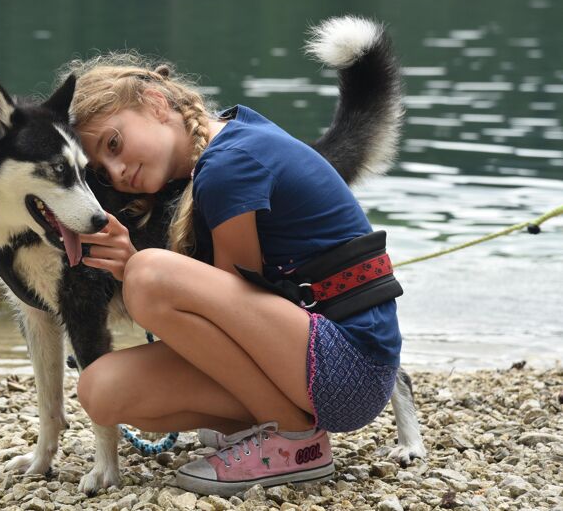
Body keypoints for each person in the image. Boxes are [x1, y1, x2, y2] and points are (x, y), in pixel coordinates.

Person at [64, 53, 402, 496]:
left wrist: (134, 269)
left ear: (155, 102)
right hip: (310, 357)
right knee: (101, 391)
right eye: (103, 170)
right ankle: (269, 424)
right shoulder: (223, 142)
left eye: (114, 144)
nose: (117, 171)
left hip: (350, 365)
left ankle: (294, 440)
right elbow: (224, 314)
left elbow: (233, 306)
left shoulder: (229, 164)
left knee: (147, 275)